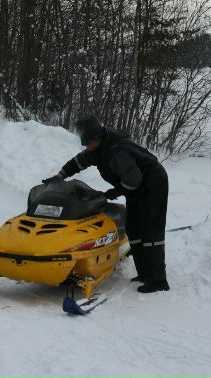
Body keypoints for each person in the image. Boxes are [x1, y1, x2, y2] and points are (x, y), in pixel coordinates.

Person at [44, 116, 170, 294]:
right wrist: (59, 176)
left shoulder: (118, 151)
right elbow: (79, 162)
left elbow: (133, 180)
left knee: (150, 230)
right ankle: (145, 274)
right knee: (133, 228)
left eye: (89, 143)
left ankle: (157, 280)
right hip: (135, 186)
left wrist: (115, 192)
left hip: (153, 184)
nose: (86, 147)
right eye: (85, 143)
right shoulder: (98, 148)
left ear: (98, 138)